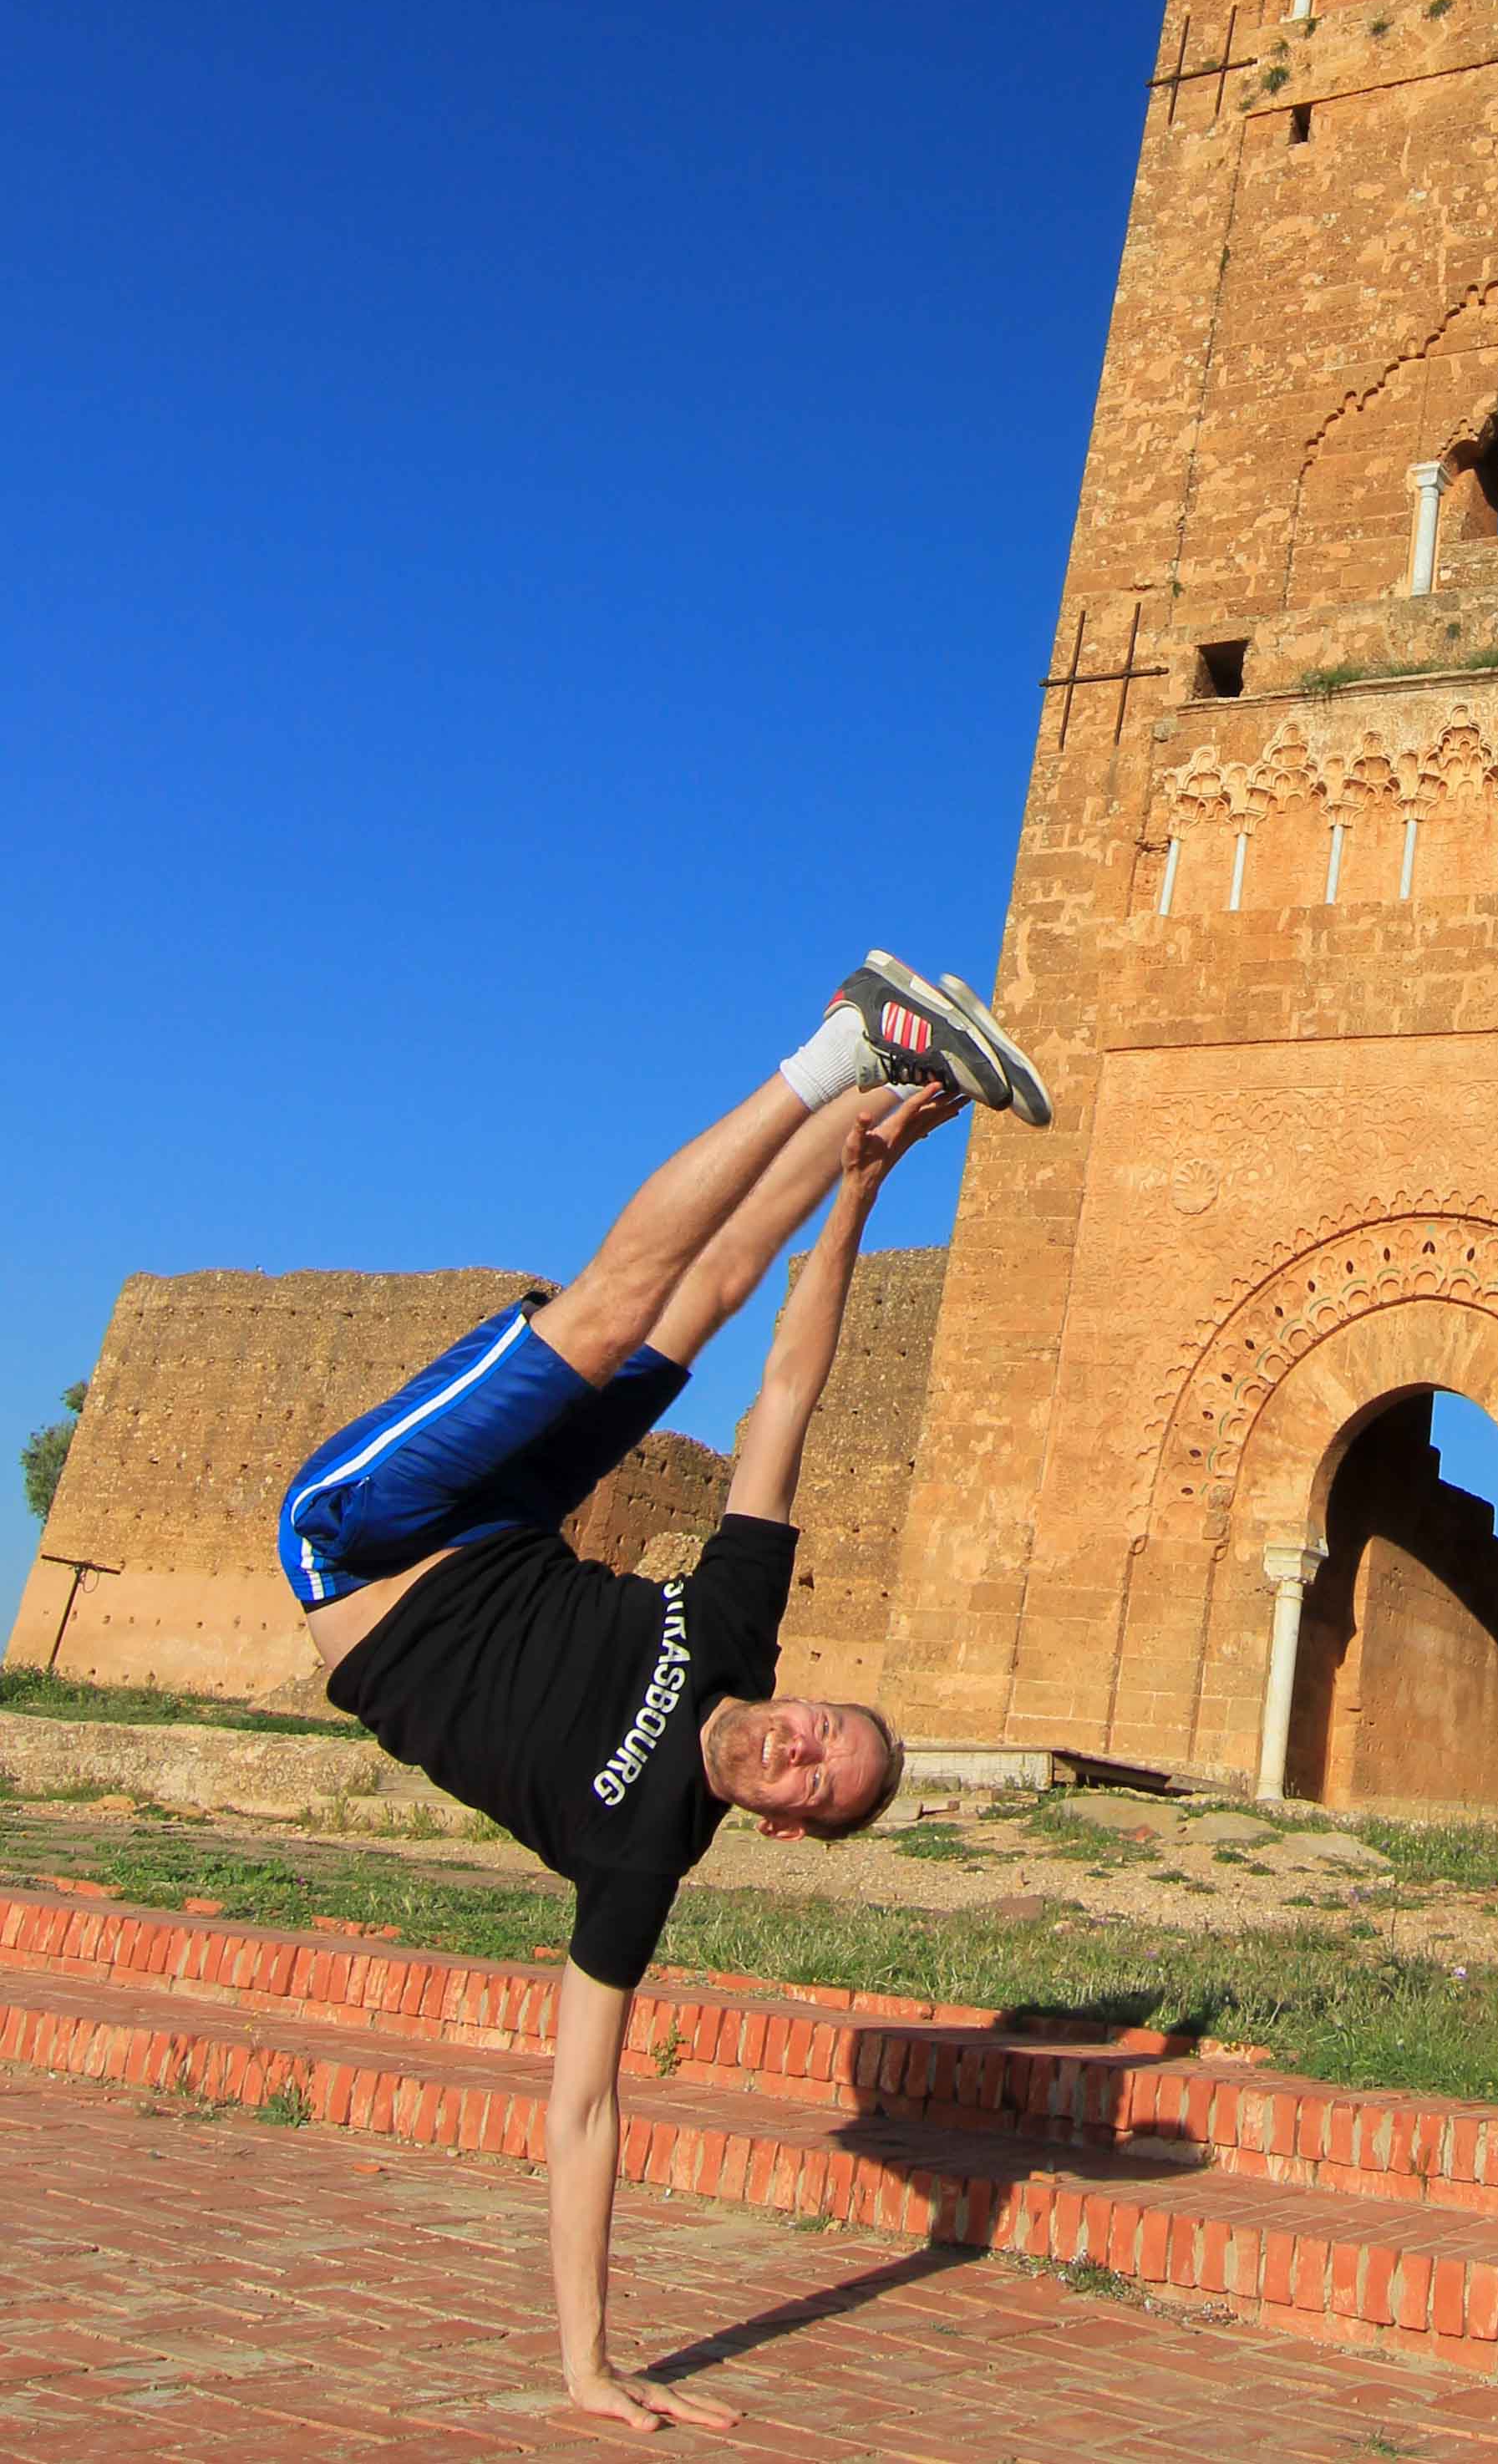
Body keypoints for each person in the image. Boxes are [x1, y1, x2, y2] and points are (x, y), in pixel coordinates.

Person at [277, 953, 1048, 2436]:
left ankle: (846, 1042)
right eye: (830, 1728)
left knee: (612, 1306)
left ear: (782, 1823)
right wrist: (861, 1189)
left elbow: (583, 2106)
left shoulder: (639, 1856)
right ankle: (872, 1078)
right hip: (500, 1522)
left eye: (817, 1779)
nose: (804, 1746)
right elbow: (787, 1395)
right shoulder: (739, 1636)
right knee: (693, 1310)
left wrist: (586, 2361)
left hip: (356, 1541)